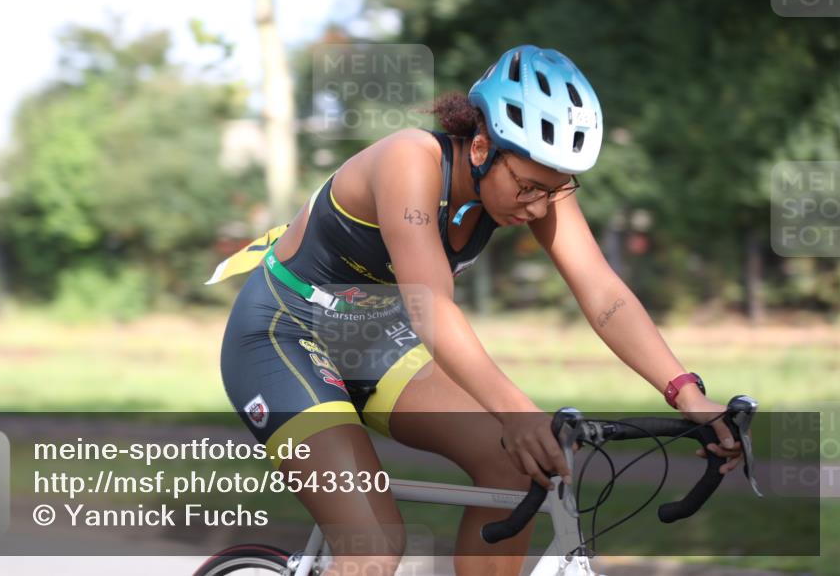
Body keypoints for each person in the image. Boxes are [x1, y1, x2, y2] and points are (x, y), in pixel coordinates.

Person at [209, 45, 743, 576]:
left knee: (517, 466)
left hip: (371, 342)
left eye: (555, 189)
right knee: (372, 542)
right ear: (483, 145)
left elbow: (603, 292)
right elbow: (431, 308)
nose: (538, 205)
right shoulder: (408, 162)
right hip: (282, 335)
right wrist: (516, 408)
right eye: (529, 187)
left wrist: (686, 392)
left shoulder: (538, 184)